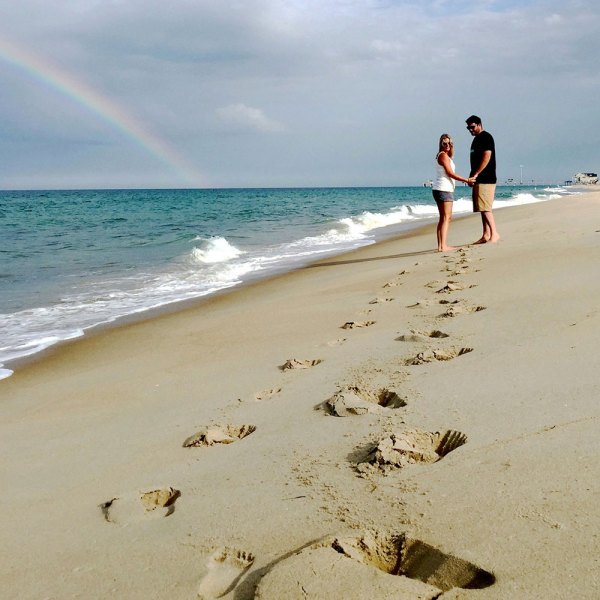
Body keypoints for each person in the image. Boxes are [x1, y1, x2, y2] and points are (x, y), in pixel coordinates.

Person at [432, 133, 474, 252]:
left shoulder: (445, 156)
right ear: (440, 144)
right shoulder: (443, 156)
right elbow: (450, 173)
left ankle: (441, 246)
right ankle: (443, 246)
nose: (447, 145)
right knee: (446, 218)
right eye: (444, 143)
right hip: (443, 189)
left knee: (444, 218)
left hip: (441, 189)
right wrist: (466, 180)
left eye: (449, 143)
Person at [466, 115, 500, 243]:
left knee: (486, 208)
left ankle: (494, 233)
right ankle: (486, 234)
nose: (471, 130)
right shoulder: (476, 140)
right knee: (482, 207)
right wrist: (472, 176)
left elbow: (487, 156)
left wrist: (476, 174)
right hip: (478, 179)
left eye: (473, 127)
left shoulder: (486, 137)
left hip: (487, 178)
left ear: (479, 124)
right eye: (468, 128)